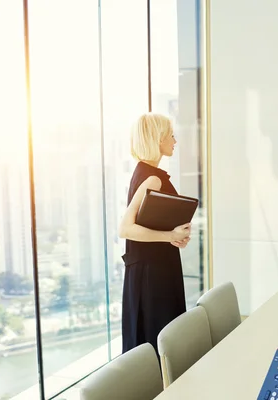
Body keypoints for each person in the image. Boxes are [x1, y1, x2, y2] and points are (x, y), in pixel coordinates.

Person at [118, 112, 191, 355]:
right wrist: (169, 236)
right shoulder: (152, 178)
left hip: (155, 269)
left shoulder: (144, 173)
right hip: (153, 276)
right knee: (159, 341)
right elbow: (125, 228)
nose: (174, 140)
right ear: (158, 139)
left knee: (155, 341)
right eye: (171, 135)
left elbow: (152, 222)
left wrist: (174, 236)